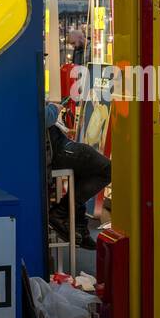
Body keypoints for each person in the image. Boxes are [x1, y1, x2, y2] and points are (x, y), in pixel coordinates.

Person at [46, 101, 110, 248]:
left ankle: (79, 227)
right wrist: (53, 108)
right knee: (106, 169)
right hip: (57, 151)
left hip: (57, 147)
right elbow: (42, 117)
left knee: (84, 168)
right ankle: (61, 212)